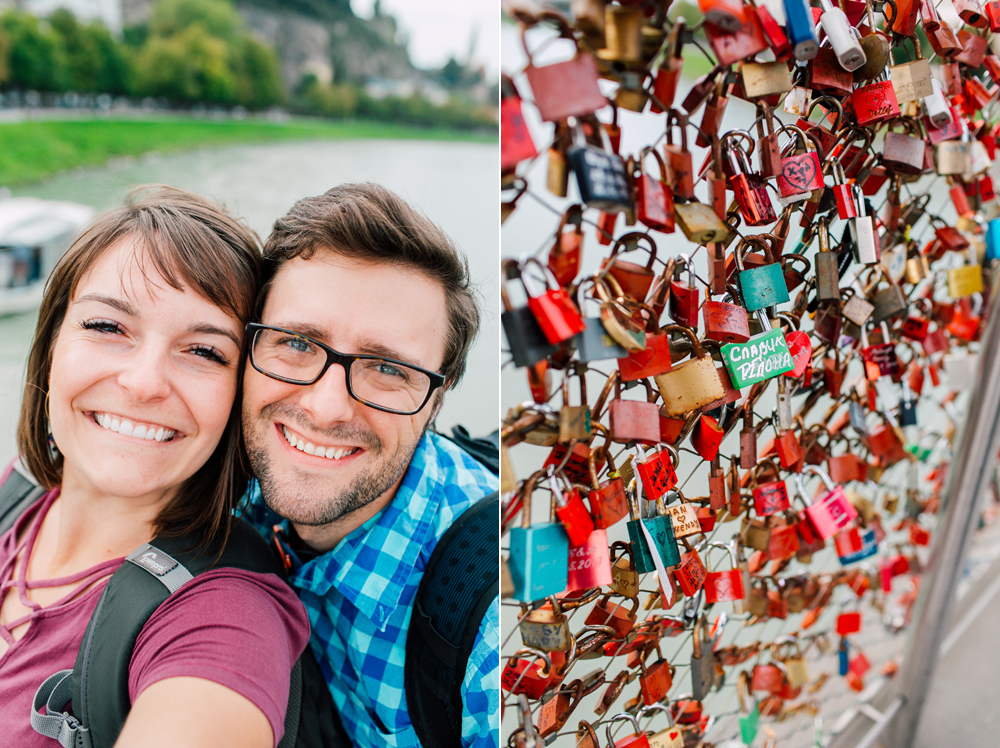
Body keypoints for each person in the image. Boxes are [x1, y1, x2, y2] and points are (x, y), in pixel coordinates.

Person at [0, 186, 313, 748]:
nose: (144, 383)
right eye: (106, 327)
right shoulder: (13, 491)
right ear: (50, 345)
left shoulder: (226, 615)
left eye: (203, 352)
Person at [241, 183, 499, 748]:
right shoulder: (225, 485)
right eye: (297, 343)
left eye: (386, 368)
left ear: (437, 399)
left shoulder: (492, 636)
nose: (325, 407)